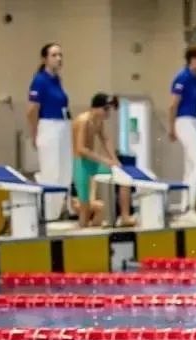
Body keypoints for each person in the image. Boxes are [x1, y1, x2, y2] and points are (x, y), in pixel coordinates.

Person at [72, 93, 131, 228]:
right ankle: (81, 237)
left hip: (92, 163)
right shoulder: (83, 121)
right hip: (80, 164)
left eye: (109, 109)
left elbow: (105, 139)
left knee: (124, 177)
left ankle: (125, 217)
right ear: (95, 108)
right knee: (85, 211)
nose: (108, 112)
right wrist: (105, 159)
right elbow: (81, 149)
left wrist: (115, 161)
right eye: (106, 109)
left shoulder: (98, 121)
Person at [27, 42, 71, 221]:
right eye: (54, 55)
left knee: (65, 173)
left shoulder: (57, 80)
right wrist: (34, 134)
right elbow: (31, 111)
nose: (59, 58)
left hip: (63, 126)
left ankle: (55, 213)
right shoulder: (40, 80)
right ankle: (45, 214)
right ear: (45, 59)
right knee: (51, 172)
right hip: (48, 126)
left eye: (60, 55)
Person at [168, 43, 196, 225]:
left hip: (195, 121)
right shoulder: (183, 77)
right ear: (193, 59)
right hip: (183, 122)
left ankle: (185, 208)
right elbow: (173, 105)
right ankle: (188, 208)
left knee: (190, 167)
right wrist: (171, 128)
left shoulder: (195, 79)